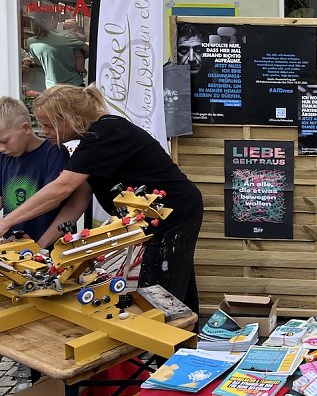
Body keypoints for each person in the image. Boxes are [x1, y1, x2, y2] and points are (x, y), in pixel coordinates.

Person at [0, 85, 204, 313]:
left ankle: (167, 345)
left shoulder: (105, 134)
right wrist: (38, 248)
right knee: (177, 283)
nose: (44, 130)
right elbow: (75, 204)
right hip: (161, 213)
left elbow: (61, 188)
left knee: (159, 291)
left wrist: (6, 222)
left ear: (71, 119)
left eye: (48, 124)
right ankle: (190, 339)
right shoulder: (91, 143)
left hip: (172, 212)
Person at [0, 97, 86, 247]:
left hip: (51, 247)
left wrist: (38, 246)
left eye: (5, 141)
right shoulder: (3, 156)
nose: (1, 148)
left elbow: (56, 200)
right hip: (13, 246)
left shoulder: (54, 153)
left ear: (26, 128)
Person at [27, 18, 87, 88]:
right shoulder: (67, 37)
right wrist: (79, 58)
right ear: (51, 21)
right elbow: (89, 50)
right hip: (74, 84)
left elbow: (37, 61)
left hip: (52, 87)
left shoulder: (31, 42)